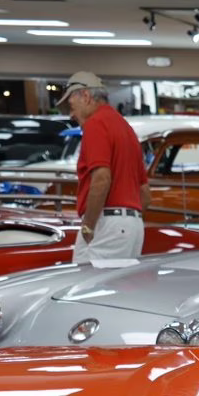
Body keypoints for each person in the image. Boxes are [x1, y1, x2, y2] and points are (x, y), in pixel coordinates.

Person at [61, 70, 145, 266]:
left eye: (72, 106)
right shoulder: (126, 128)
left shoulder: (96, 124)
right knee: (118, 292)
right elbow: (144, 192)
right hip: (132, 226)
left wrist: (89, 226)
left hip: (106, 223)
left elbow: (101, 179)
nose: (72, 114)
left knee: (82, 289)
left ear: (86, 96)